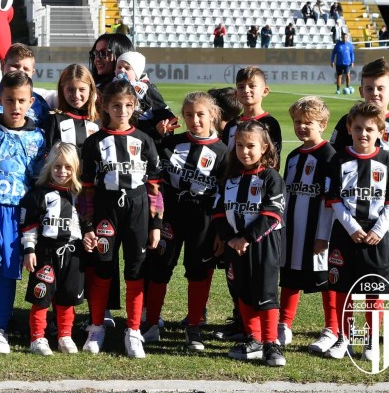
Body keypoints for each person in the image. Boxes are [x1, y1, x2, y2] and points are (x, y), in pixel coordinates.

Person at [328, 58, 389, 345]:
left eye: (380, 88)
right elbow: (334, 159)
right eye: (369, 88)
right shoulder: (348, 123)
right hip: (352, 211)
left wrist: (387, 198)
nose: (374, 93)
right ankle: (342, 330)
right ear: (360, 90)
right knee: (349, 268)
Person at [78, 79, 163, 358]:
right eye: (116, 105)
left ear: (135, 106)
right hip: (106, 211)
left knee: (136, 271)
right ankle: (97, 326)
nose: (122, 111)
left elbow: (154, 188)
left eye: (128, 105)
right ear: (104, 106)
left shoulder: (145, 141)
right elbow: (87, 190)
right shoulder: (94, 143)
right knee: (103, 268)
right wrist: (88, 225)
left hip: (137, 211)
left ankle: (134, 330)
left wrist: (156, 224)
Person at [143, 92, 228, 351]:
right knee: (160, 266)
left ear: (213, 115)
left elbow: (225, 194)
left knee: (198, 271)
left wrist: (220, 232)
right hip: (171, 214)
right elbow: (154, 176)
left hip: (203, 217)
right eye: (189, 115)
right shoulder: (171, 143)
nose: (194, 120)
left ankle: (194, 327)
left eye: (200, 114)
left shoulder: (224, 153)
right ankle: (152, 323)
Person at [322, 102, 389, 359]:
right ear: (349, 128)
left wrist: (379, 231)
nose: (363, 133)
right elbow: (334, 199)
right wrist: (351, 227)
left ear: (380, 132)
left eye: (370, 129)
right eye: (358, 128)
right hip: (346, 234)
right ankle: (345, 339)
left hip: (375, 236)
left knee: (373, 291)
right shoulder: (338, 160)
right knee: (342, 289)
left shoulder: (388, 161)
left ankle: (369, 341)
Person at [0, 71, 45, 354]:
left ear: (31, 102)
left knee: (7, 273)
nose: (15, 106)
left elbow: (38, 178)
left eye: (22, 101)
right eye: (10, 100)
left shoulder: (36, 138)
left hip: (18, 215)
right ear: (0, 99)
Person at [213, 120, 286, 367]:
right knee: (242, 291)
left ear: (264, 147)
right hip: (235, 247)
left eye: (250, 146)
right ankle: (253, 339)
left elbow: (272, 214)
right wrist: (231, 239)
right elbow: (218, 212)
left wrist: (246, 238)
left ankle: (270, 343)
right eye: (240, 145)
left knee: (265, 293)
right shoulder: (230, 179)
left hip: (263, 246)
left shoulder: (271, 178)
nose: (244, 151)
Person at [278, 97, 339, 355]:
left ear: (323, 124)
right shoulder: (293, 156)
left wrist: (324, 235)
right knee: (289, 276)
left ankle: (332, 329)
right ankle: (284, 324)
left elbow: (331, 200)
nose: (302, 127)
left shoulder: (330, 156)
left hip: (318, 233)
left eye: (309, 123)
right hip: (292, 230)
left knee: (326, 281)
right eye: (297, 122)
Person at [20, 143, 86, 355]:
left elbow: (85, 223)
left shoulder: (79, 195)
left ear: (75, 168)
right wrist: (29, 250)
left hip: (72, 253)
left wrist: (87, 239)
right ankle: (37, 337)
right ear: (49, 167)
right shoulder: (39, 194)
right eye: (57, 167)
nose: (62, 172)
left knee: (67, 297)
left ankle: (65, 335)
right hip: (45, 252)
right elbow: (29, 225)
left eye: (67, 167)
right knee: (41, 296)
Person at [0, 43, 50, 134]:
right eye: (15, 66)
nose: (20, 71)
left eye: (26, 68)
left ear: (32, 72)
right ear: (3, 65)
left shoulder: (39, 103)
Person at [43, 63, 98, 152]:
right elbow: (47, 156)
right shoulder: (55, 119)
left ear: (90, 89)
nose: (76, 95)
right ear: (62, 90)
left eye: (82, 89)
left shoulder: (99, 120)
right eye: (70, 90)